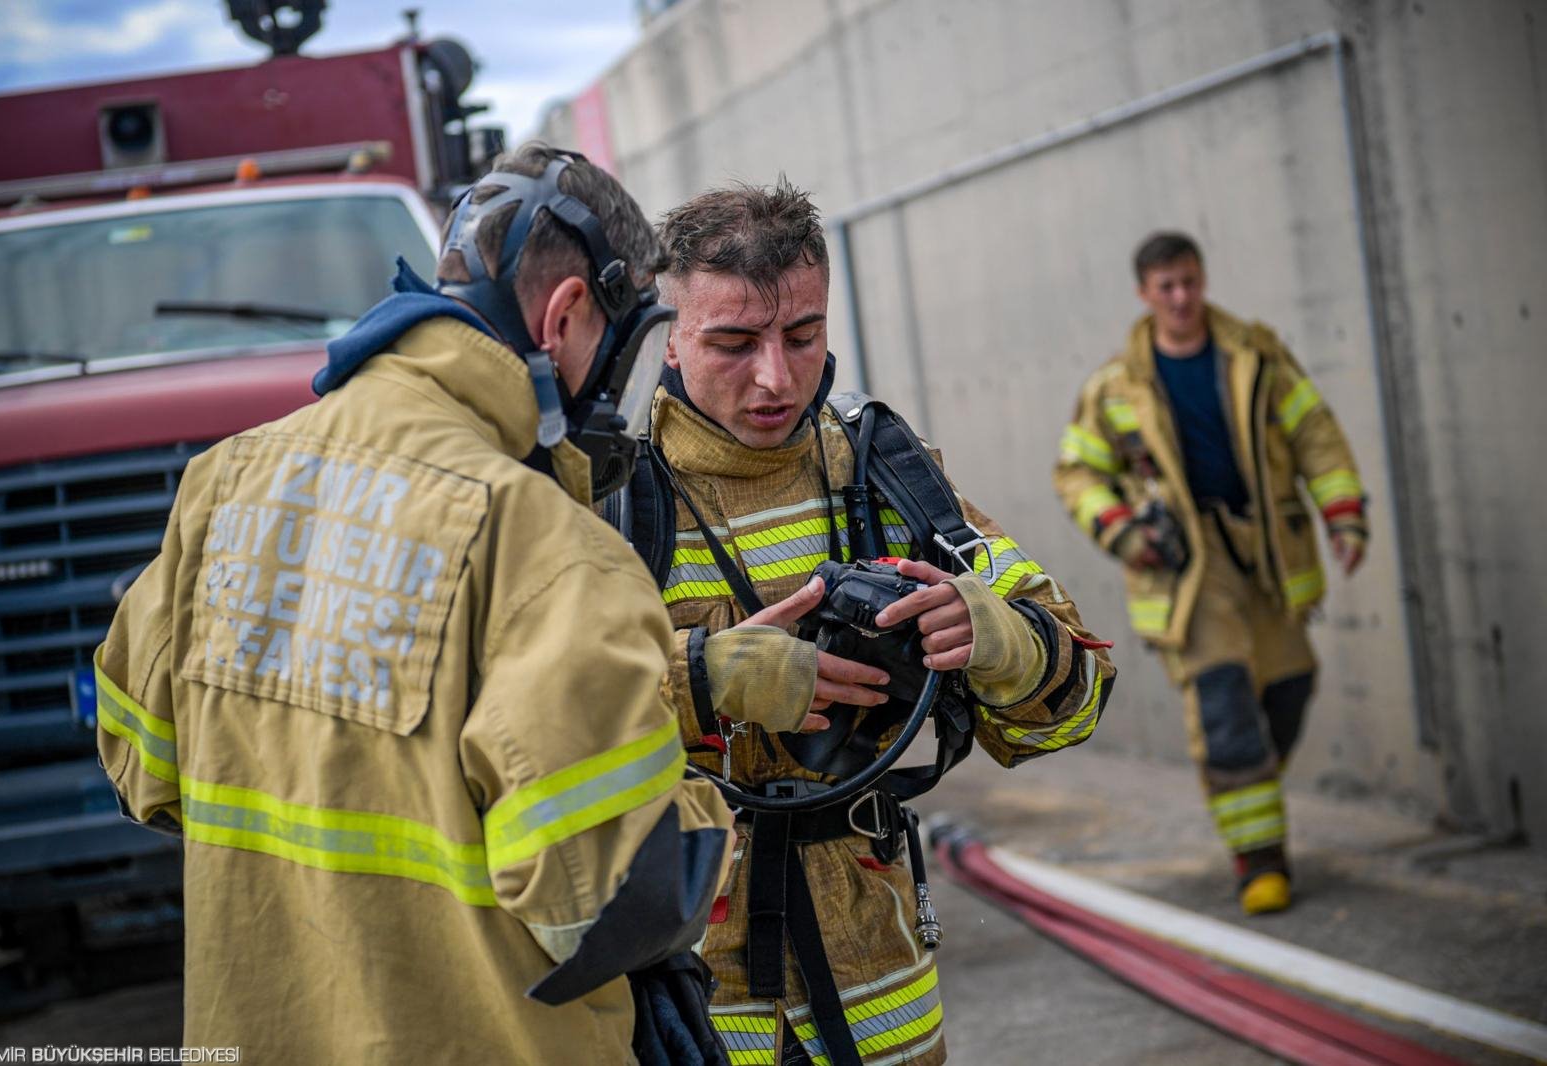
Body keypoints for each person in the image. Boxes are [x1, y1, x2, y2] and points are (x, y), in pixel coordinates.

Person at [94, 145, 735, 1064]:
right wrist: (708, 814)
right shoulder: (549, 547)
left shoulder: (224, 482)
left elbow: (142, 763)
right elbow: (608, 900)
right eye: (620, 352)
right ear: (564, 316)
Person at [609, 180, 1115, 1066]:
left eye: (802, 336)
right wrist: (701, 679)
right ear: (670, 339)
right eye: (733, 342)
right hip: (693, 1002)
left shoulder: (887, 475)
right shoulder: (606, 501)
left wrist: (997, 639)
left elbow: (1074, 708)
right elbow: (519, 728)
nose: (776, 376)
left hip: (883, 997)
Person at [1053, 231, 1368, 916]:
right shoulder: (1116, 387)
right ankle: (1259, 862)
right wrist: (1123, 532)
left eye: (1190, 282)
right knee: (1225, 708)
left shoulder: (1255, 356)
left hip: (1264, 553)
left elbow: (1314, 432)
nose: (1181, 298)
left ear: (1202, 280)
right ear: (1145, 293)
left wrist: (1343, 513)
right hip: (1186, 570)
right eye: (1166, 287)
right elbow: (1078, 471)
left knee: (1290, 687)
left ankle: (1243, 788)